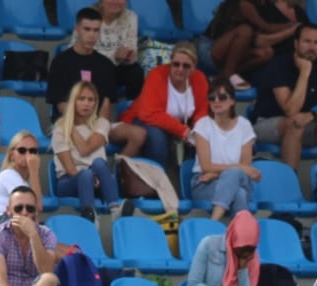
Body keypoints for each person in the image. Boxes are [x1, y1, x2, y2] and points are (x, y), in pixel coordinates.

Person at [247, 22, 317, 172]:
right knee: (295, 122)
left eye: (316, 43)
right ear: (296, 44)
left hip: (301, 122)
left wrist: (311, 116)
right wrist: (304, 73)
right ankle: (290, 180)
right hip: (265, 123)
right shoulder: (279, 64)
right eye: (307, 42)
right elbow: (290, 110)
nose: (312, 47)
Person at [122, 41, 209, 172]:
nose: (180, 69)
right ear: (170, 62)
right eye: (176, 64)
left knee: (203, 136)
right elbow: (149, 113)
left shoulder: (199, 78)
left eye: (186, 66)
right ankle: (156, 178)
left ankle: (191, 177)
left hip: (179, 124)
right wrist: (183, 131)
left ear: (194, 67)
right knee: (158, 139)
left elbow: (202, 110)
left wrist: (197, 130)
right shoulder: (156, 75)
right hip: (143, 120)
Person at [51, 80, 122, 218]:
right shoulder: (60, 129)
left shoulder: (102, 124)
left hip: (98, 179)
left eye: (91, 100)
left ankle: (115, 210)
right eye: (81, 99)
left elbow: (85, 149)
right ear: (73, 102)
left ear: (96, 103)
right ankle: (90, 217)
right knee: (86, 175)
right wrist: (67, 124)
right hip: (69, 181)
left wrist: (70, 127)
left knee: (100, 163)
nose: (86, 104)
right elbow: (70, 169)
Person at [189, 82, 258, 221]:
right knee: (239, 193)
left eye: (222, 97)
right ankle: (239, 233)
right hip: (204, 184)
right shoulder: (202, 125)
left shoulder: (244, 125)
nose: (216, 101)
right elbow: (206, 167)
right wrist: (234, 170)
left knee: (235, 176)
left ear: (232, 101)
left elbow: (244, 167)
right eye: (211, 97)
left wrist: (216, 174)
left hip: (234, 180)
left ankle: (214, 222)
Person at [46, 7, 119, 120]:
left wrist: (101, 127)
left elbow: (106, 104)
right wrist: (83, 124)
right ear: (77, 29)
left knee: (134, 130)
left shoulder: (106, 64)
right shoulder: (60, 62)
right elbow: (61, 104)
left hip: (97, 123)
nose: (92, 35)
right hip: (68, 122)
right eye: (87, 29)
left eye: (96, 30)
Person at [0, 131, 46, 222]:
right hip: (4, 224)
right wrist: (34, 171)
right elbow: (37, 207)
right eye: (22, 151)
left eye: (32, 151)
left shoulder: (21, 178)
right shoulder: (9, 175)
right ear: (12, 155)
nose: (28, 155)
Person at [96, 0, 146, 102]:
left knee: (136, 71)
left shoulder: (130, 17)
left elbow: (131, 46)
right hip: (92, 65)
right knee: (105, 71)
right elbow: (85, 51)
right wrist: (114, 55)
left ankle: (133, 108)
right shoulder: (89, 16)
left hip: (119, 65)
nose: (116, 2)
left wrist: (129, 56)